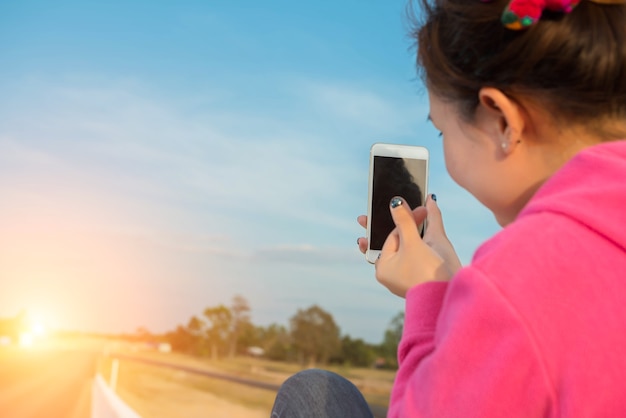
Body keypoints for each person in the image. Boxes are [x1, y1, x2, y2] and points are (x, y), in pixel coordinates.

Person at [271, 0, 626, 415]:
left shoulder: (520, 273)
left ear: (501, 121)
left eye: (441, 132)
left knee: (311, 394)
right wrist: (469, 302)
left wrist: (431, 299)